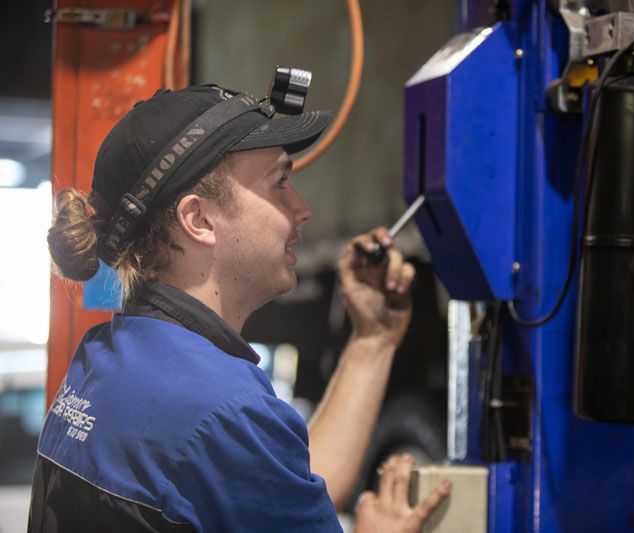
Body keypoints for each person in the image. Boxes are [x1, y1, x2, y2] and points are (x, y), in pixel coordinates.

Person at [32, 84, 450, 532]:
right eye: (281, 183)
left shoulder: (106, 360)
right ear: (199, 220)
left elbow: (271, 495)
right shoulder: (220, 411)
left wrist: (373, 340)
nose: (302, 208)